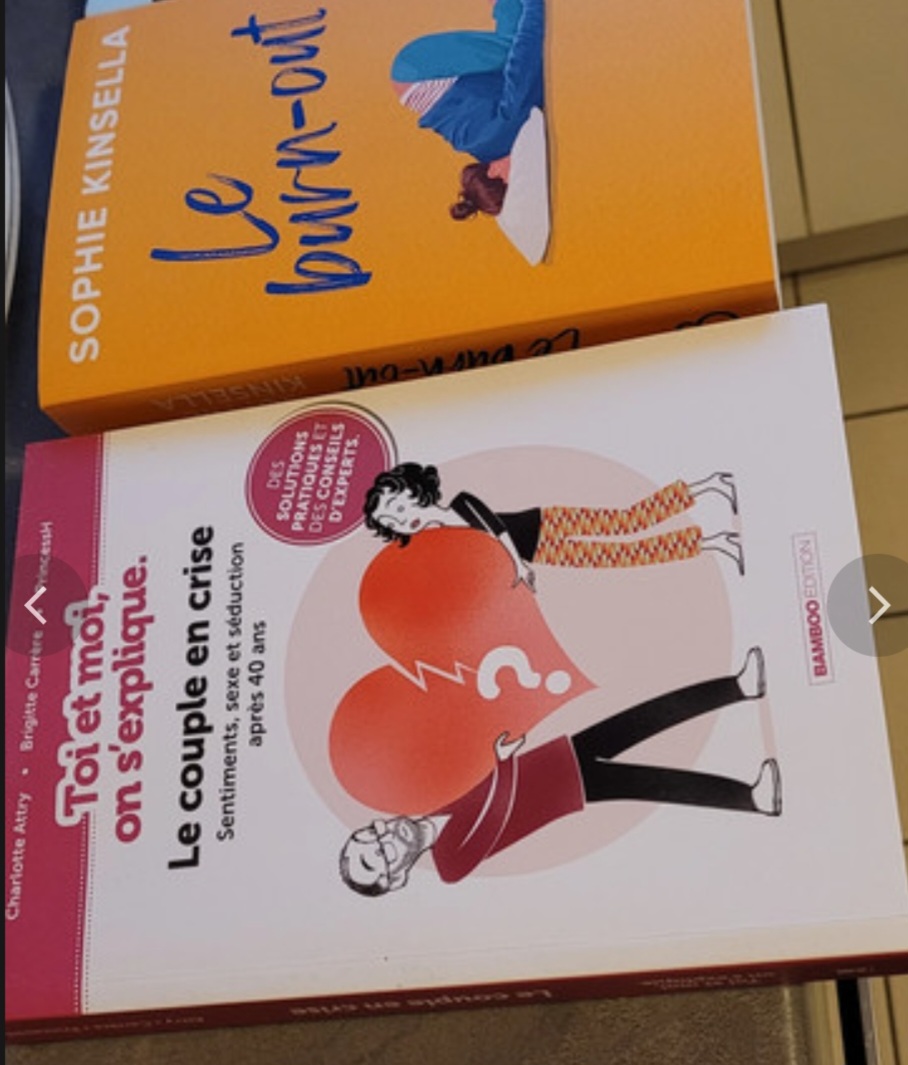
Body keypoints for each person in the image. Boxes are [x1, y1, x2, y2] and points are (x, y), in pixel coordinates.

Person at [339, 647, 779, 895]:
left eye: (369, 834)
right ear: (396, 878)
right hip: (564, 789)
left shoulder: (429, 800)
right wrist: (503, 761)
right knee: (657, 782)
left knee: (644, 717)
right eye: (379, 856)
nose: (382, 837)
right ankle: (750, 798)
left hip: (554, 757)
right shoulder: (449, 863)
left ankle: (738, 687)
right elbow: (493, 819)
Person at [363, 462, 744, 591]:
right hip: (541, 551)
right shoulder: (438, 545)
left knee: (627, 522)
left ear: (412, 490)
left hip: (542, 523)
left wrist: (518, 567)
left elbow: (497, 532)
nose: (401, 519)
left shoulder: (460, 504)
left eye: (397, 506)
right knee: (622, 556)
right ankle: (715, 542)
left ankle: (710, 485)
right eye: (391, 522)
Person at [390, 0, 544, 219]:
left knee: (515, 49)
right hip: (416, 81)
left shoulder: (501, 138)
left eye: (512, 180)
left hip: (420, 72)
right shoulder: (490, 147)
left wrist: (536, 5)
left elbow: (524, 65)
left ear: (493, 171)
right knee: (509, 57)